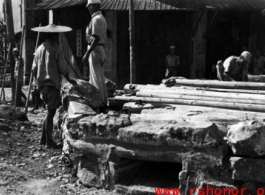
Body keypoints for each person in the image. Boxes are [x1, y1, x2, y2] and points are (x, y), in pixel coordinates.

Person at [31, 24, 77, 149]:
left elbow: (33, 69)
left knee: (48, 112)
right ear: (54, 36)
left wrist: (36, 83)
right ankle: (48, 141)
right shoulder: (56, 48)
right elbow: (63, 68)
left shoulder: (39, 49)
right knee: (50, 113)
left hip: (42, 86)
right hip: (52, 84)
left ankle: (43, 139)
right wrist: (71, 80)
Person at [82, 0, 108, 109]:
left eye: (89, 6)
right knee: (98, 77)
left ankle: (99, 103)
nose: (88, 8)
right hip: (99, 48)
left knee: (96, 78)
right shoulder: (100, 18)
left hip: (95, 49)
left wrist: (87, 53)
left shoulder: (96, 19)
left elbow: (96, 37)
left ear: (93, 6)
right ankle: (102, 101)